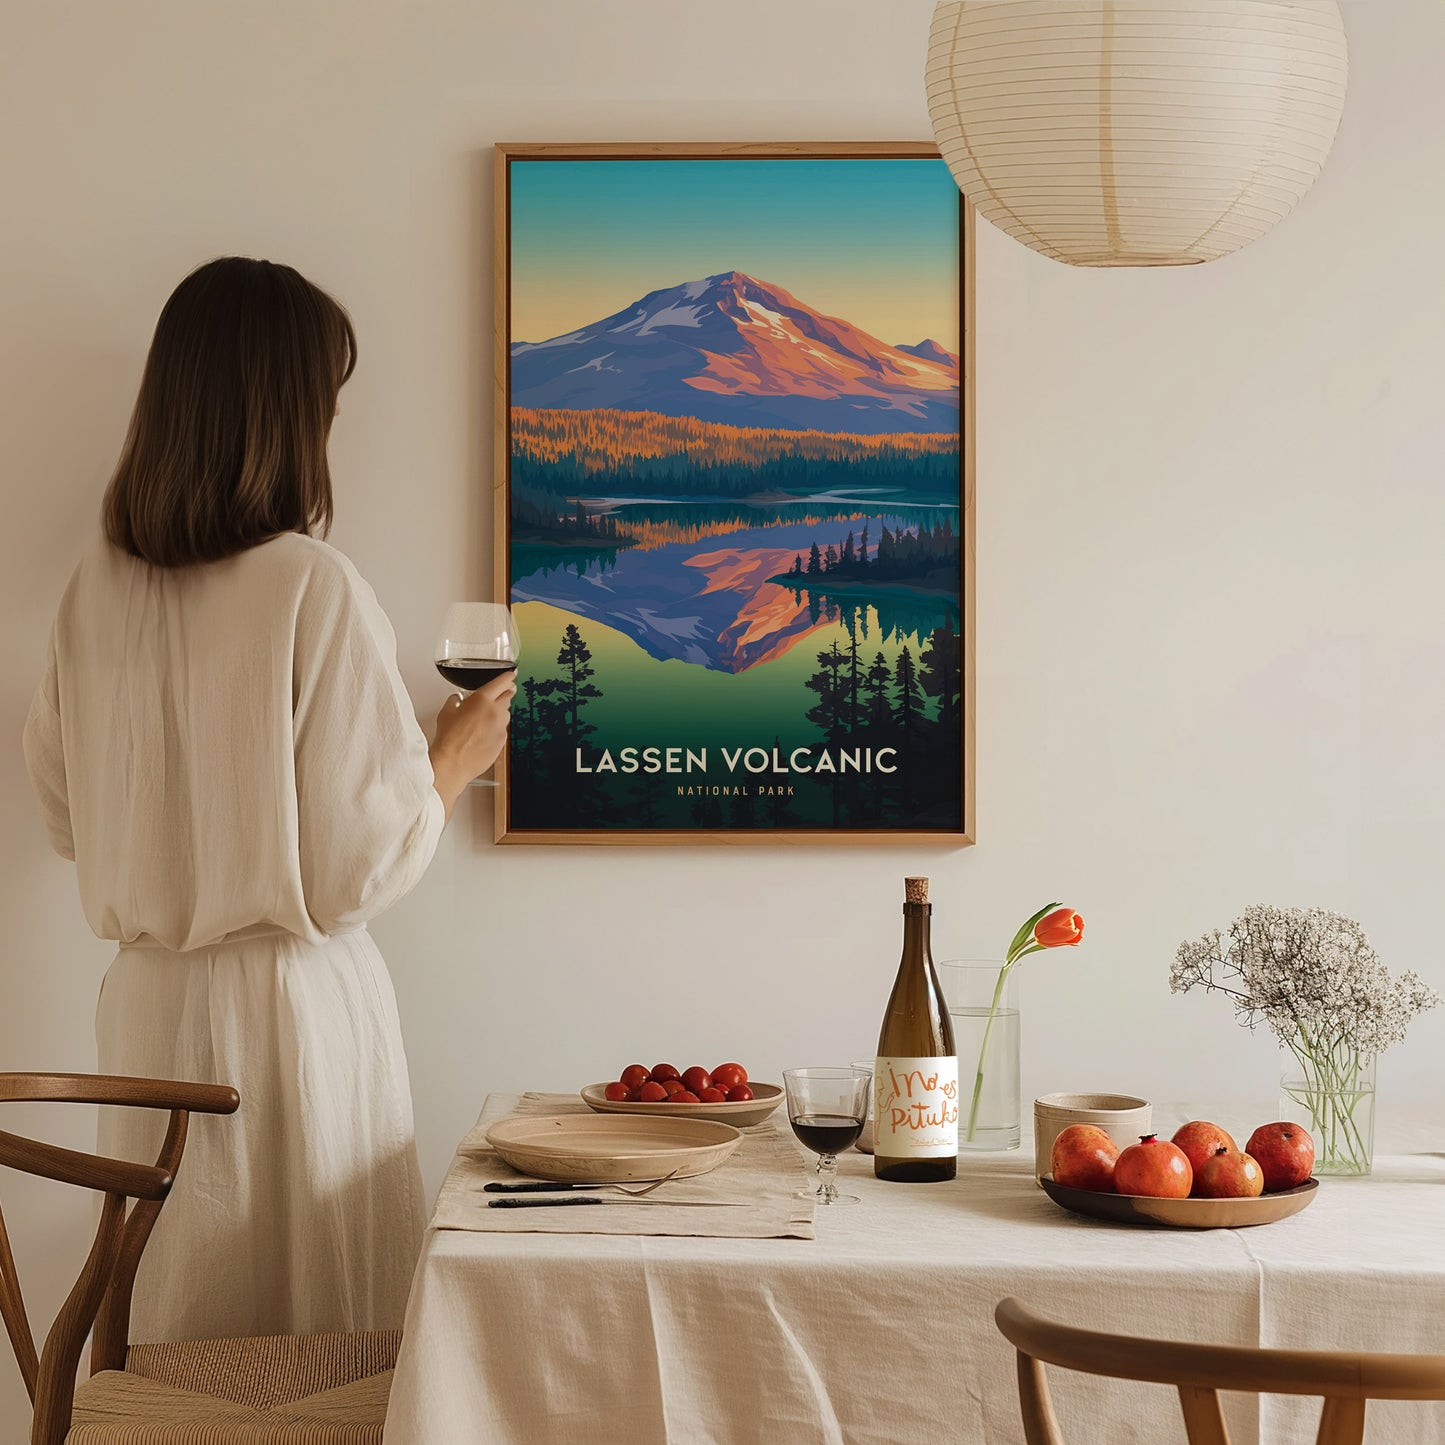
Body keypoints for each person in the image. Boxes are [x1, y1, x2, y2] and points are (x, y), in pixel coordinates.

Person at [21, 256, 512, 1341]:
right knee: (313, 1342)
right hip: (288, 1019)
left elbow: (64, 817)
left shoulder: (92, 590)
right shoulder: (309, 583)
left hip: (145, 1009)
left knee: (176, 1325)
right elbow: (350, 872)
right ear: (287, 412)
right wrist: (449, 759)